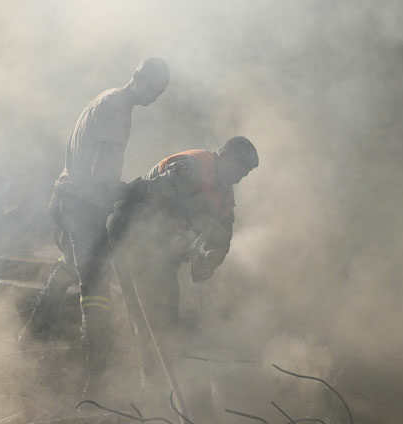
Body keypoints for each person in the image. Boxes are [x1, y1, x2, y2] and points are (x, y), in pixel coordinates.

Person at [27, 58, 170, 382]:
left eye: (159, 93)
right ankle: (97, 378)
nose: (154, 97)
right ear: (137, 77)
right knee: (96, 290)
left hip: (67, 198)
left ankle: (34, 330)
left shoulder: (108, 100)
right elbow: (100, 173)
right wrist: (132, 190)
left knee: (70, 263)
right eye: (153, 88)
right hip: (81, 205)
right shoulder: (116, 110)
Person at [107, 136, 260, 381]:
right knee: (151, 319)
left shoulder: (224, 193)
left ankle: (164, 381)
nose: (241, 177)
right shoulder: (193, 167)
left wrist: (209, 261)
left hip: (164, 254)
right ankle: (154, 385)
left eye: (246, 173)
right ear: (226, 157)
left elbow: (222, 239)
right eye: (241, 169)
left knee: (166, 318)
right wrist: (177, 238)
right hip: (134, 239)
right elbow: (154, 206)